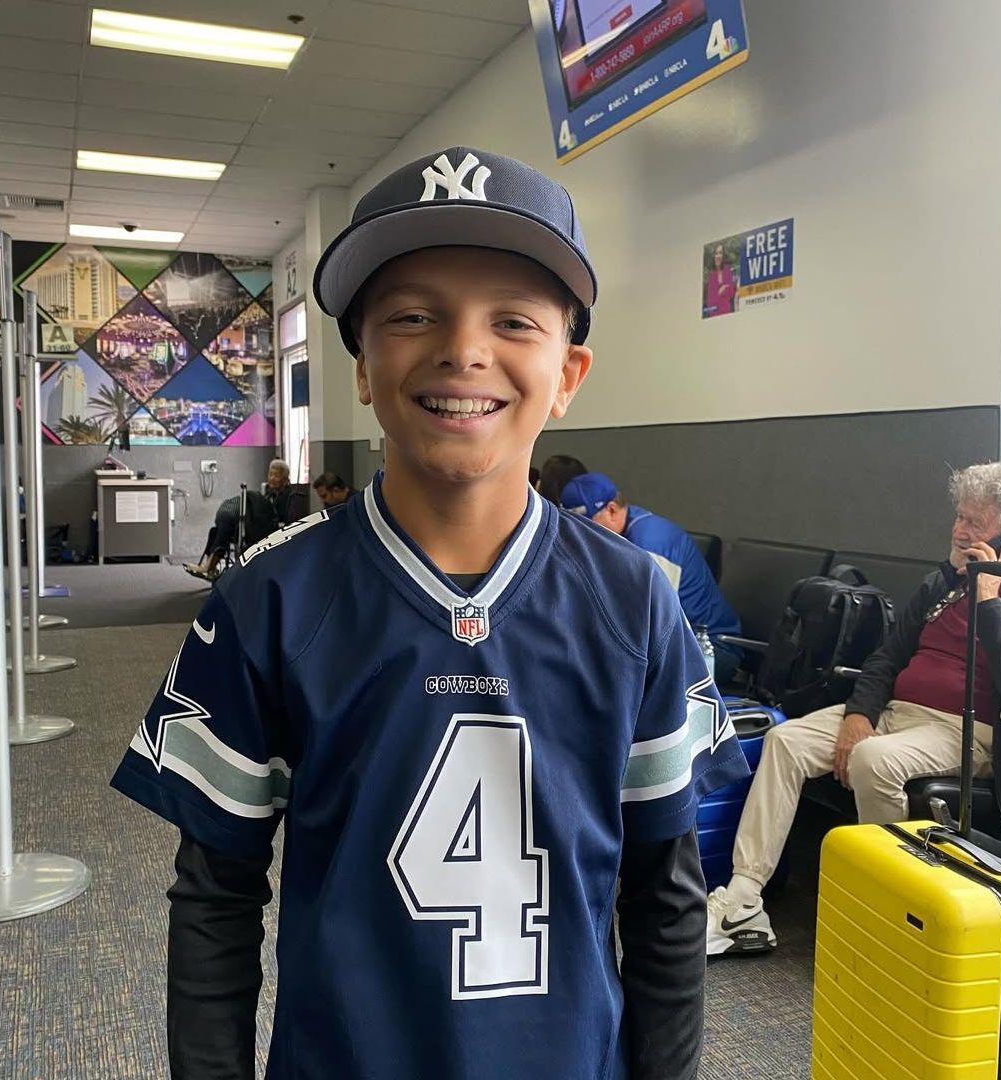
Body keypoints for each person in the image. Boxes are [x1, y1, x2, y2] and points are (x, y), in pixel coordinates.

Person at [111, 146, 749, 1080]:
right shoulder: (268, 599)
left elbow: (666, 898)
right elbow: (216, 899)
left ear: (569, 371)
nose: (463, 348)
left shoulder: (636, 601)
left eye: (512, 320)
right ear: (362, 366)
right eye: (412, 314)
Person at [706, 462, 1001, 957]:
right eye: (959, 518)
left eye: (974, 525)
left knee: (872, 760)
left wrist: (991, 600)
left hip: (967, 731)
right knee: (784, 739)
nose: (959, 531)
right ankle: (744, 897)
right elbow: (888, 657)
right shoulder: (940, 585)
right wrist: (859, 715)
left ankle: (882, 917)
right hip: (896, 712)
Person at [561, 472, 743, 684]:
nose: (579, 536)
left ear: (611, 510)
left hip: (711, 651)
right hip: (673, 647)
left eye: (585, 525)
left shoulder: (651, 544)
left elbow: (652, 627)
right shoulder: (616, 536)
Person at [183, 460, 290, 581]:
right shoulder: (268, 492)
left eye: (276, 475)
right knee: (215, 531)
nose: (272, 478)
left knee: (227, 525)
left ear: (285, 479)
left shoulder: (286, 495)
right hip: (256, 523)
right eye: (270, 474)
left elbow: (278, 518)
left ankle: (209, 568)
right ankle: (209, 566)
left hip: (265, 529)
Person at [703, 243, 736, 317]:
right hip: (715, 314)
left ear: (723, 255)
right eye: (716, 253)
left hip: (727, 312)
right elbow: (710, 302)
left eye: (720, 253)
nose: (718, 256)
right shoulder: (711, 276)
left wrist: (719, 293)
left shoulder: (727, 270)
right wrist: (719, 293)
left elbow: (731, 293)